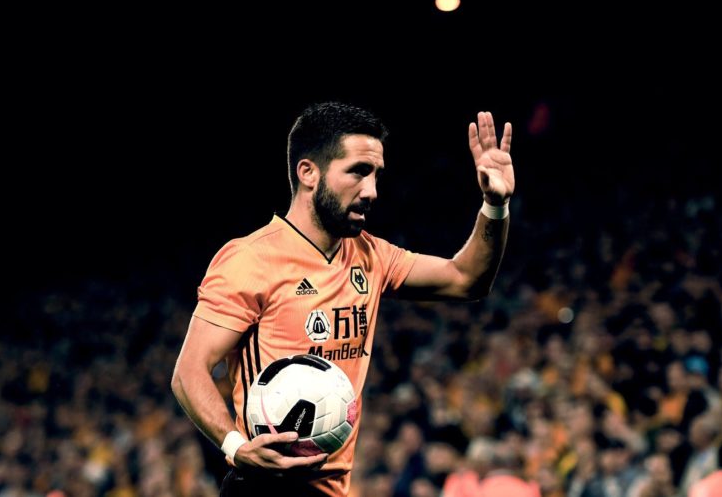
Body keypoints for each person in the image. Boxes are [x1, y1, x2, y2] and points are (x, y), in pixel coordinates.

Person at [171, 102, 514, 497]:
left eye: (376, 174)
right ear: (308, 173)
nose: (372, 191)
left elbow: (467, 279)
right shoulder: (249, 259)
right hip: (265, 487)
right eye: (358, 171)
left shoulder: (372, 256)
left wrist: (495, 205)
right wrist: (237, 447)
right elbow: (189, 371)